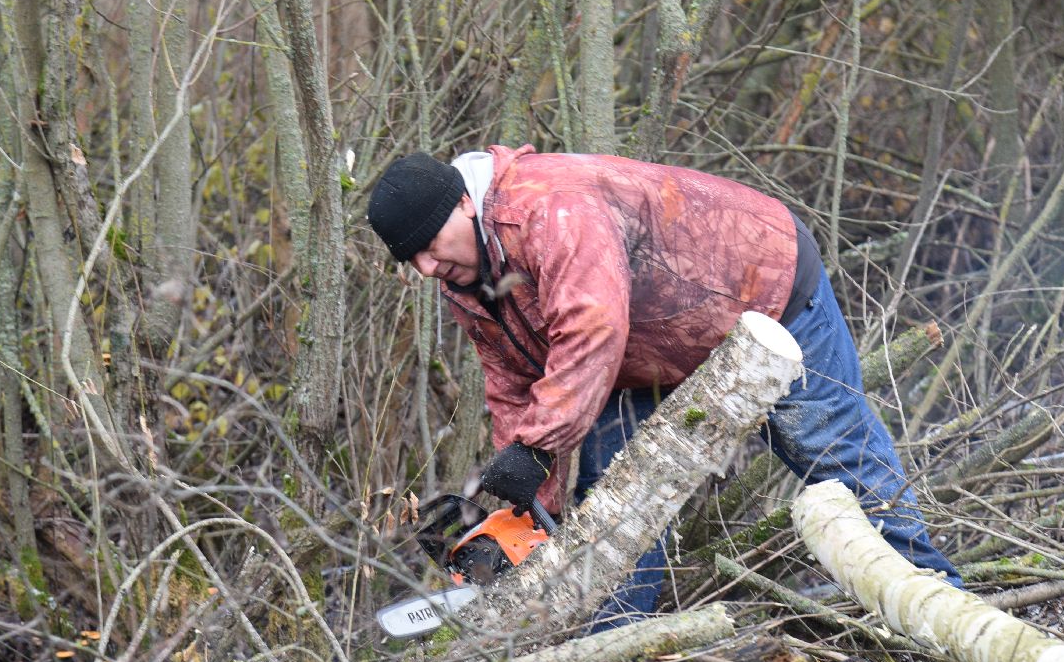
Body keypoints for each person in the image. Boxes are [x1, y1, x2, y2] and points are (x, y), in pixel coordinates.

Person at [366, 144, 963, 626]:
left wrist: (537, 446)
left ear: (464, 204)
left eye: (428, 245)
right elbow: (514, 380)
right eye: (409, 259)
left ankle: (938, 609)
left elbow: (591, 326)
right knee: (613, 503)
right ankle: (612, 659)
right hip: (643, 348)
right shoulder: (466, 280)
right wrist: (529, 502)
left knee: (836, 456)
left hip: (762, 295)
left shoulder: (546, 208)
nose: (425, 267)